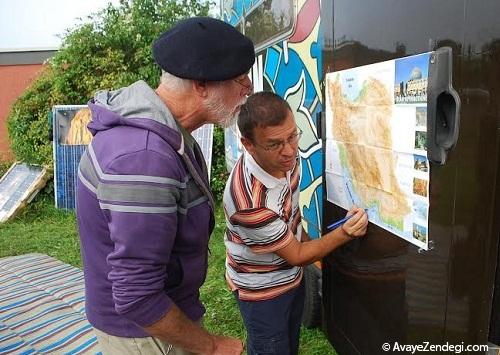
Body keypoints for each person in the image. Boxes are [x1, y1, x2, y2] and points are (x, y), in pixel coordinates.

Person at [76, 17, 254, 355]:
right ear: (201, 84)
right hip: (144, 335)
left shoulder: (165, 133)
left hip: (158, 320)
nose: (248, 88)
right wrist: (212, 346)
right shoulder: (144, 160)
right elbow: (137, 296)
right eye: (239, 78)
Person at [223, 92, 369, 355]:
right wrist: (345, 233)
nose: (290, 151)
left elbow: (291, 213)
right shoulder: (249, 202)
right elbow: (297, 255)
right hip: (262, 292)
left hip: (289, 277)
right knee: (272, 348)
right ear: (248, 144)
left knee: (289, 345)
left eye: (293, 136)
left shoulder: (285, 157)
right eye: (275, 144)